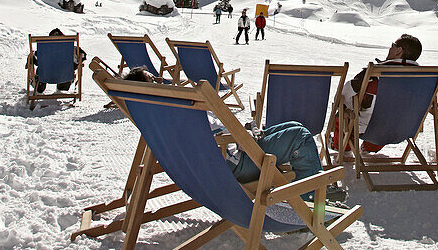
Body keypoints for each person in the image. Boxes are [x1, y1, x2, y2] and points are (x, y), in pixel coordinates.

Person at [121, 69, 347, 205]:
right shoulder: (176, 109)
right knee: (300, 136)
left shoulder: (160, 115)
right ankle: (310, 197)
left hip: (229, 153)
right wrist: (241, 136)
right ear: (146, 90)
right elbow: (213, 138)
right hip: (235, 162)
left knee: (293, 126)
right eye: (154, 80)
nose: (161, 80)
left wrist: (246, 134)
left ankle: (311, 184)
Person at [334, 33, 423, 153]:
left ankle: (344, 147)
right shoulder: (426, 78)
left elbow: (344, 95)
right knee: (390, 115)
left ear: (399, 50)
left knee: (343, 111)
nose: (390, 48)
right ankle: (369, 147)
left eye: (393, 45)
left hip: (370, 129)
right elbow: (433, 103)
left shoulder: (375, 74)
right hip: (406, 129)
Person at [34, 28, 85, 94]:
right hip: (65, 77)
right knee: (68, 69)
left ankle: (38, 88)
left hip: (45, 75)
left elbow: (35, 60)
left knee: (41, 68)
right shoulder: (72, 49)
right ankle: (62, 88)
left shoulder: (43, 50)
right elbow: (83, 56)